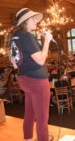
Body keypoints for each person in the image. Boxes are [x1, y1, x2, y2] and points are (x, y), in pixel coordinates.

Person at [10, 8, 53, 141]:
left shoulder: (15, 37)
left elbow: (14, 63)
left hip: (25, 79)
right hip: (37, 81)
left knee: (30, 113)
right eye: (34, 19)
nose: (36, 21)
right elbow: (40, 60)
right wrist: (47, 41)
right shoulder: (27, 36)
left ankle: (28, 138)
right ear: (27, 20)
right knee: (42, 118)